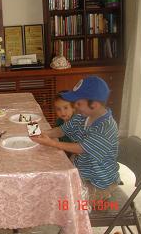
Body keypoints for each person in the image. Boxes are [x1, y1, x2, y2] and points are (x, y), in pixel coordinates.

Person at [31, 76, 120, 204]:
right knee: (48, 183)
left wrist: (52, 143)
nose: (76, 107)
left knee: (60, 202)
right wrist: (43, 134)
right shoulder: (82, 116)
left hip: (98, 184)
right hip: (81, 172)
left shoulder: (105, 128)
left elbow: (81, 148)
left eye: (78, 103)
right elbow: (62, 130)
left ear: (94, 105)